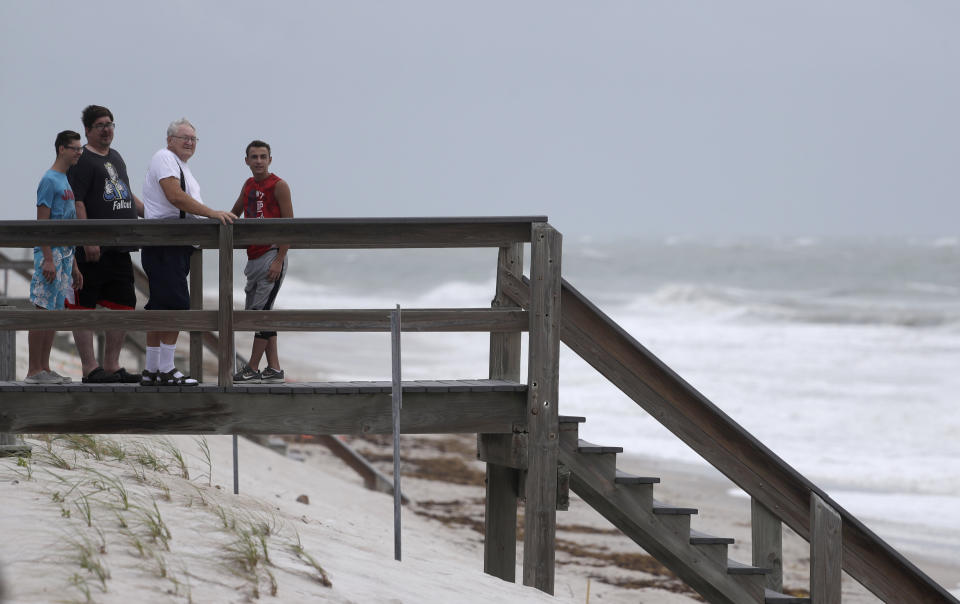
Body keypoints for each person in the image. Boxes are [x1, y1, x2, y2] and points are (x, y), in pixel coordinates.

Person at [140, 118, 236, 386]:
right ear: (170, 140)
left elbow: (181, 198)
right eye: (184, 137)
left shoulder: (182, 166)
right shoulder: (164, 158)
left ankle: (152, 369)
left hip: (174, 242)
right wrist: (212, 214)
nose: (189, 142)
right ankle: (167, 369)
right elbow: (175, 196)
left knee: (160, 305)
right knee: (176, 304)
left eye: (193, 139)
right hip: (164, 241)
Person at [67, 105, 145, 383]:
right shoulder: (83, 159)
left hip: (120, 246)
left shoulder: (116, 157)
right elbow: (77, 200)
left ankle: (112, 365)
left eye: (110, 124)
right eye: (100, 125)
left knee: (124, 304)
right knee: (83, 306)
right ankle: (90, 368)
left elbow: (125, 191)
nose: (107, 129)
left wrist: (149, 213)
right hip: (92, 248)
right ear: (88, 130)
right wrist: (88, 237)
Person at [229, 140, 293, 383]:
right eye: (254, 157)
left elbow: (290, 225)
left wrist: (279, 259)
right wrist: (213, 220)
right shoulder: (248, 185)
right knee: (259, 312)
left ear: (270, 160)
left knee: (262, 314)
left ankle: (252, 367)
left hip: (271, 256)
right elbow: (234, 213)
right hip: (253, 257)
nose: (258, 161)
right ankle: (274, 368)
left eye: (263, 156)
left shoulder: (279, 185)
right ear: (246, 161)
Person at [26, 131, 84, 384]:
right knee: (42, 308)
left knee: (54, 311)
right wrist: (48, 258)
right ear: (62, 149)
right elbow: (43, 222)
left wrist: (74, 266)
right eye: (75, 148)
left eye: (80, 149)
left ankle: (45, 368)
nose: (79, 153)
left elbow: (68, 224)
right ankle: (33, 370)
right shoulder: (49, 180)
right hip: (50, 254)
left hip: (65, 255)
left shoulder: (65, 179)